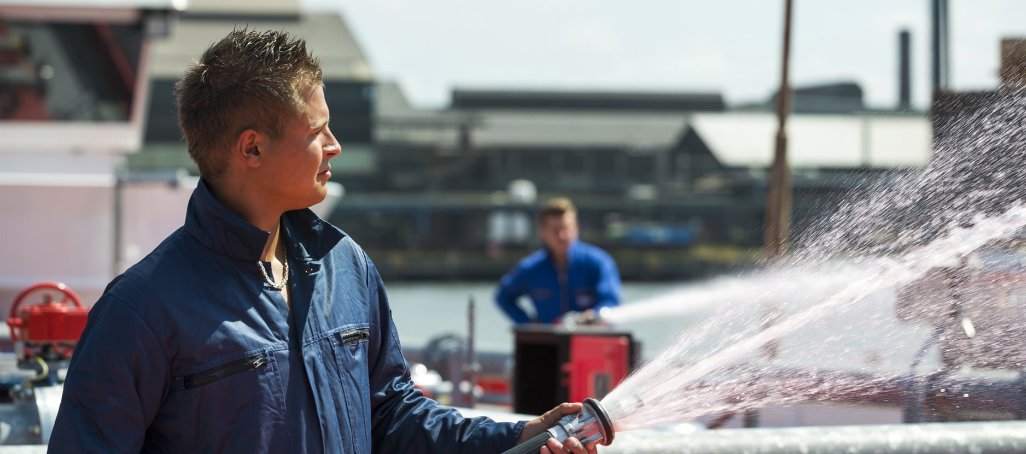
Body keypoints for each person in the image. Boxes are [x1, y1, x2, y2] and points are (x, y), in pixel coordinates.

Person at [48, 28, 596, 454]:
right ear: (252, 148)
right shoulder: (140, 312)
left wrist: (516, 437)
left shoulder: (346, 266)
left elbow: (392, 416)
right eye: (317, 131)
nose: (334, 146)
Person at [496, 197, 622, 325]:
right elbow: (503, 297)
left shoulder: (598, 263)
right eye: (555, 230)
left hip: (591, 335)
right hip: (548, 336)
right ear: (542, 232)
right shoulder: (531, 269)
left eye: (566, 228)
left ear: (576, 228)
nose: (562, 236)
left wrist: (596, 314)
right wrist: (528, 324)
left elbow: (611, 301)